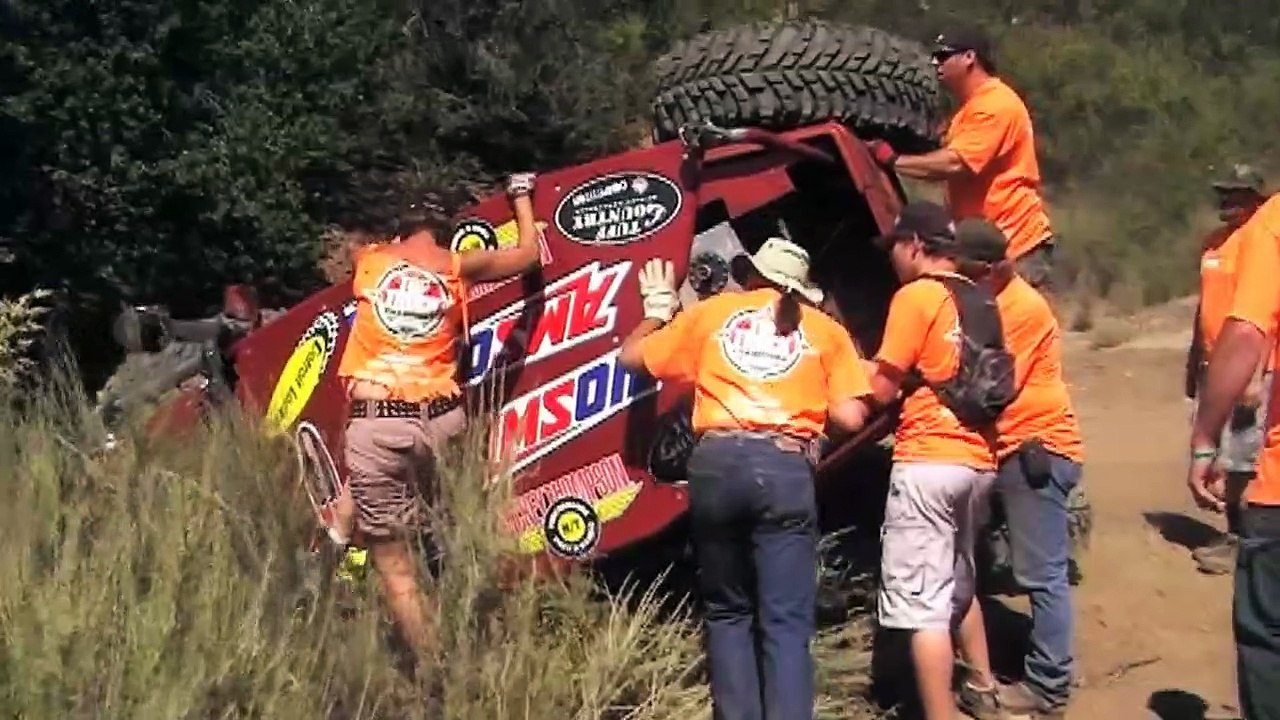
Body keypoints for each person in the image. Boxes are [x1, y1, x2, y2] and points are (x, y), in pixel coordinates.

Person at [618, 238, 874, 720]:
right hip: (783, 470)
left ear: (752, 273)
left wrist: (656, 311)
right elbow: (853, 416)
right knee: (785, 621)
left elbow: (632, 358)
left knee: (727, 611)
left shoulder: (712, 314)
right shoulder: (825, 331)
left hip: (716, 465)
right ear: (801, 288)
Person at [329, 172, 542, 658]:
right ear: (446, 230)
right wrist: (522, 199)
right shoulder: (456, 265)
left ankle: (436, 674)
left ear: (400, 229)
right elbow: (530, 255)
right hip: (441, 425)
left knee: (396, 566)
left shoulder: (370, 262)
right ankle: (343, 565)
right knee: (392, 508)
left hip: (378, 421)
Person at [865, 201, 1000, 720]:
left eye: (896, 247)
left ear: (916, 246)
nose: (892, 259)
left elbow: (882, 386)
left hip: (927, 460)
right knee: (959, 582)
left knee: (924, 609)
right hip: (978, 462)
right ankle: (984, 687)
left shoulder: (916, 296)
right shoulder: (980, 298)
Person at [950, 217, 1085, 719]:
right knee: (1031, 570)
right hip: (1024, 449)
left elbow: (994, 386)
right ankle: (1053, 664)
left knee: (1040, 573)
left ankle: (1048, 685)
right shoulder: (996, 303)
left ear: (985, 268)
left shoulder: (1019, 309)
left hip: (1035, 449)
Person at [864, 25, 1056, 295]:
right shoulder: (968, 110)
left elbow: (956, 163)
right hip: (986, 248)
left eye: (943, 56)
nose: (935, 62)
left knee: (1014, 331)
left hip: (1016, 246)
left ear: (969, 58)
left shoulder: (995, 105)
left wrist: (894, 161)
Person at [1188, 190, 1280, 720]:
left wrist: (1204, 437)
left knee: (1269, 634)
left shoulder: (1272, 226)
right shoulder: (1218, 245)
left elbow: (1245, 331)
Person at [1185, 164, 1272, 575]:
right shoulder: (1213, 245)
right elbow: (1204, 308)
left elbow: (1265, 311)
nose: (1228, 202)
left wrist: (1255, 374)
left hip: (1249, 366)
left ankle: (1243, 539)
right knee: (1221, 453)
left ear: (1256, 198)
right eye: (1224, 194)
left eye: (1237, 194)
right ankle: (1237, 531)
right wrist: (1193, 364)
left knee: (1243, 458)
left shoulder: (1259, 243)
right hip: (1213, 363)